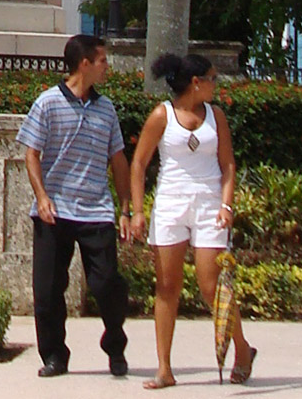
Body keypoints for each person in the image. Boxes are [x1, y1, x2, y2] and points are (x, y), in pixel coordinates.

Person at [127, 53, 255, 388]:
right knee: (167, 287)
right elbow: (139, 164)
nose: (217, 84)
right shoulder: (162, 115)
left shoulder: (217, 116)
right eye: (213, 78)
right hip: (171, 203)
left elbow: (228, 165)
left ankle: (242, 349)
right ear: (195, 83)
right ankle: (164, 368)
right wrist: (138, 211)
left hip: (209, 204)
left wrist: (227, 206)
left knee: (211, 285)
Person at [17, 33, 133, 379]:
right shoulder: (47, 103)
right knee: (48, 290)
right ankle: (54, 355)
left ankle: (115, 343)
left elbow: (119, 159)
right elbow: (31, 154)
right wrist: (41, 196)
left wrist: (125, 208)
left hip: (96, 210)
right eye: (102, 61)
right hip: (55, 211)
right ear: (85, 64)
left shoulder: (107, 108)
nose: (106, 67)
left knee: (107, 283)